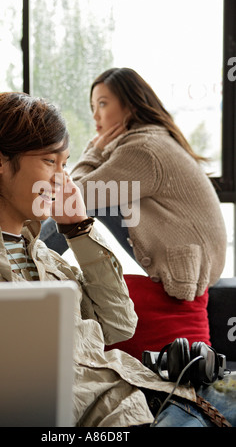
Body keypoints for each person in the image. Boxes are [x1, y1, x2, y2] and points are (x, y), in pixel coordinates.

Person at [0, 92, 234, 428]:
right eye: (50, 162)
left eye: (65, 164)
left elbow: (119, 324)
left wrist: (78, 230)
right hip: (93, 416)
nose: (63, 181)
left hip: (142, 400)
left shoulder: (49, 259)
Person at [40, 67, 227, 359]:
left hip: (185, 268)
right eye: (93, 107)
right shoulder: (148, 140)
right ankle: (29, 255)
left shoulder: (144, 148)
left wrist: (93, 152)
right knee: (94, 201)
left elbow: (71, 195)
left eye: (103, 104)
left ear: (130, 105)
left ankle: (26, 258)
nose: (95, 116)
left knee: (81, 203)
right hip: (186, 259)